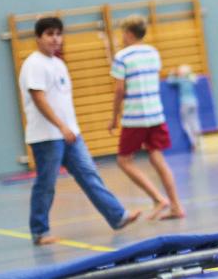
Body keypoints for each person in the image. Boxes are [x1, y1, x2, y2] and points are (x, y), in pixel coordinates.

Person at [18, 16, 139, 245]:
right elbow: (39, 98)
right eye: (49, 34)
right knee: (46, 183)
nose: (55, 39)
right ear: (38, 38)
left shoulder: (58, 64)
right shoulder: (34, 64)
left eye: (58, 34)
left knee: (89, 174)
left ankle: (117, 216)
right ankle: (39, 231)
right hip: (47, 137)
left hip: (70, 135)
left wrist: (70, 127)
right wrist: (61, 126)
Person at [108, 15, 185, 220]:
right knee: (156, 156)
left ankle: (158, 199)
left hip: (135, 116)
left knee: (124, 161)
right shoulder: (153, 53)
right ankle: (176, 206)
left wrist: (114, 117)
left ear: (129, 33)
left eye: (123, 32)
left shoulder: (122, 57)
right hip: (155, 114)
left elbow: (119, 90)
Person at [166, 64, 202, 150]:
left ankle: (193, 143)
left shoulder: (181, 80)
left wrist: (172, 73)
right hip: (194, 102)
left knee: (186, 124)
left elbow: (169, 81)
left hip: (185, 103)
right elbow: (194, 78)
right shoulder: (191, 79)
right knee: (195, 122)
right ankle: (200, 141)